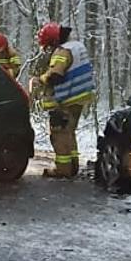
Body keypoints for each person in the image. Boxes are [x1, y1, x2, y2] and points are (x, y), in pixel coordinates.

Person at [35, 22, 94, 178]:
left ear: (54, 40)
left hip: (66, 99)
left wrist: (41, 79)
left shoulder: (63, 51)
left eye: (48, 45)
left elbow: (56, 74)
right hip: (80, 97)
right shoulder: (77, 46)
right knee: (69, 132)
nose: (48, 49)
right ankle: (73, 165)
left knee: (59, 134)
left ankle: (63, 170)